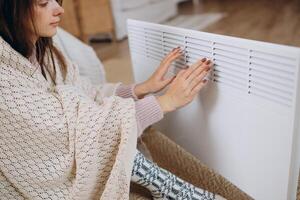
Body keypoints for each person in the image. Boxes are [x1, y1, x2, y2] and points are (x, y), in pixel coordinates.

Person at [0, 0, 226, 199]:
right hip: (35, 174)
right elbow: (63, 136)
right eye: (43, 3)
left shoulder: (45, 49)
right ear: (11, 9)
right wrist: (164, 103)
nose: (59, 10)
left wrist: (141, 89)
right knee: (112, 134)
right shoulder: (5, 78)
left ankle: (161, 182)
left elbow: (84, 96)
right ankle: (166, 185)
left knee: (124, 131)